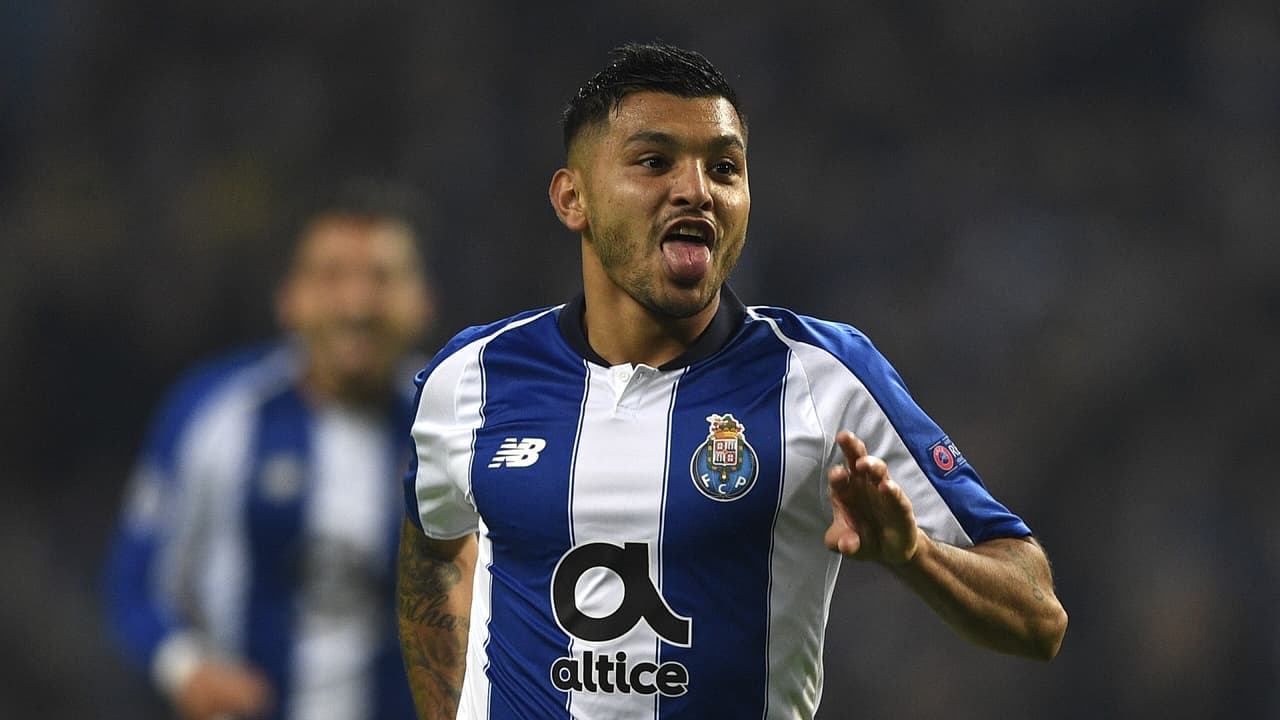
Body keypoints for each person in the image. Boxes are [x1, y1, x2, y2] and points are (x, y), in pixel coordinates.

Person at [397, 42, 1068, 719]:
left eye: (724, 167)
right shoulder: (472, 377)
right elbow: (434, 554)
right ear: (574, 199)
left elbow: (1038, 616)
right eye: (654, 162)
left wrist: (914, 553)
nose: (696, 189)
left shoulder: (823, 377)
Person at [106, 182, 435, 720]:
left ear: (421, 302)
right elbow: (136, 581)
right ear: (290, 298)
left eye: (381, 278)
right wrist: (185, 669)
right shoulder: (216, 411)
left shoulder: (461, 424)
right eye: (332, 277)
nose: (356, 305)